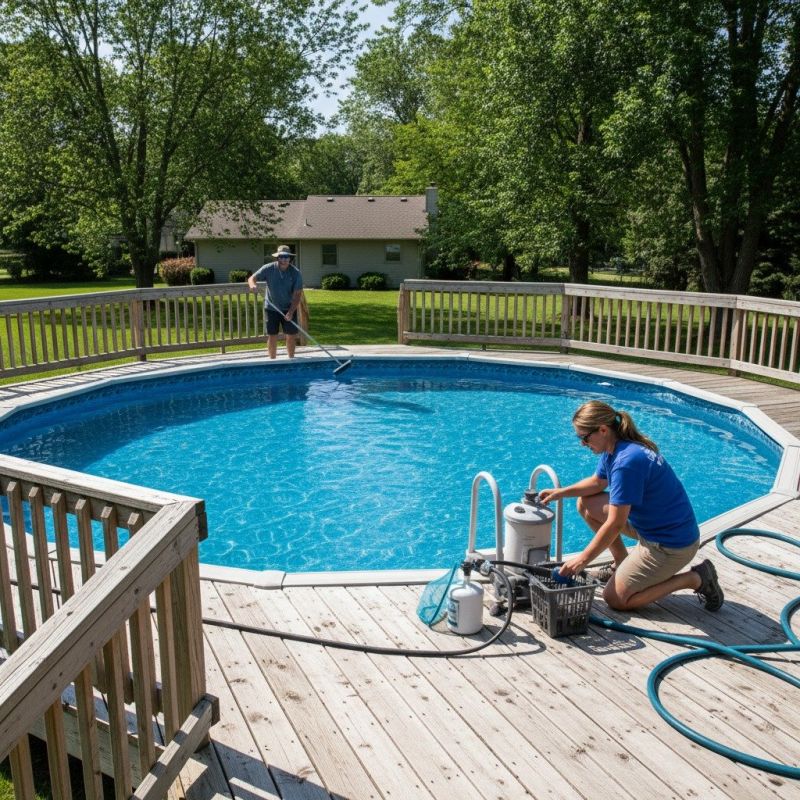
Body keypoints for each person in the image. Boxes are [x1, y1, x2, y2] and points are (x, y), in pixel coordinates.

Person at [537, 400, 724, 612]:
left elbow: (615, 524)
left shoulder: (626, 463)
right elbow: (597, 483)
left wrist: (582, 560)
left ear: (603, 430)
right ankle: (620, 563)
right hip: (653, 528)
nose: (582, 443)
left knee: (615, 599)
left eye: (584, 437)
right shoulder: (616, 448)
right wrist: (561, 493)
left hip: (671, 545)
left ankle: (696, 578)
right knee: (586, 503)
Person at [248, 245, 304, 359]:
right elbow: (251, 278)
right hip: (271, 308)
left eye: (286, 257)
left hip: (289, 307)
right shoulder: (268, 268)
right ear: (277, 258)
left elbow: (297, 295)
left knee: (291, 335)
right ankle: (272, 360)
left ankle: (291, 360)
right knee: (272, 335)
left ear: (290, 258)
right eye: (281, 257)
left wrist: (291, 312)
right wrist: (252, 285)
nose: (284, 259)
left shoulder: (296, 273)